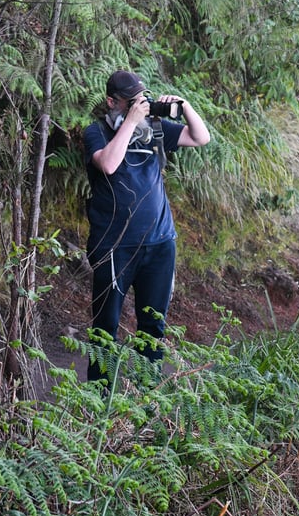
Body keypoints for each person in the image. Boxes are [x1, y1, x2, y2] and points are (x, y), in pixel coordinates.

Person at [82, 70, 211, 383]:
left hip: (159, 244)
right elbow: (109, 164)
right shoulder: (96, 132)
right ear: (112, 102)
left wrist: (185, 106)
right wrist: (129, 121)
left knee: (153, 327)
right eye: (131, 102)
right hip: (114, 245)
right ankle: (99, 404)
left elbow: (200, 137)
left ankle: (144, 401)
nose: (139, 106)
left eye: (142, 99)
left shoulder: (153, 129)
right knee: (105, 327)